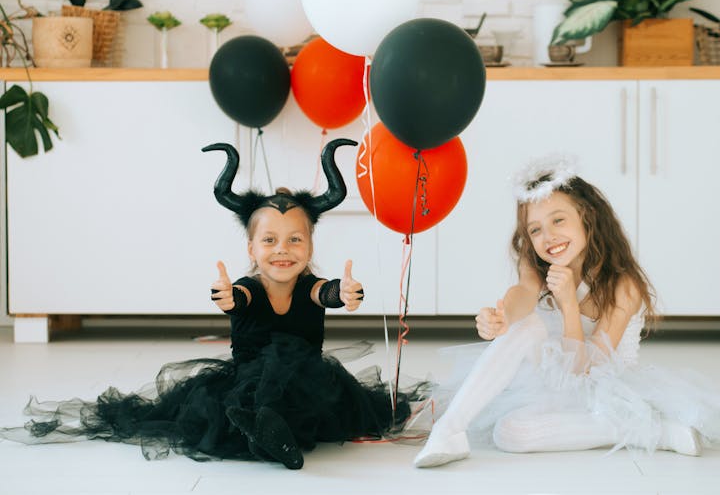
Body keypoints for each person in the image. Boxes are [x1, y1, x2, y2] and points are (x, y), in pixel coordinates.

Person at [0, 138, 420, 470]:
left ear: (309, 247)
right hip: (249, 377)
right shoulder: (249, 286)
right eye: (270, 240)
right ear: (252, 248)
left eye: (295, 239)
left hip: (309, 380)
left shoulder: (310, 283)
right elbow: (238, 299)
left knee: (294, 373)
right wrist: (226, 297)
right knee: (248, 393)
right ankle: (266, 432)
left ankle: (274, 431)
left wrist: (344, 294)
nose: (283, 250)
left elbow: (323, 293)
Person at [414, 157, 720, 468]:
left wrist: (569, 304)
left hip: (602, 387)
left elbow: (584, 372)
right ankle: (450, 430)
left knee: (513, 434)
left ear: (587, 216)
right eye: (535, 229)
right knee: (524, 331)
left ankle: (652, 429)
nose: (548, 237)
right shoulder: (536, 261)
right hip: (554, 378)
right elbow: (523, 295)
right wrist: (503, 317)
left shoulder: (623, 286)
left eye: (558, 220)